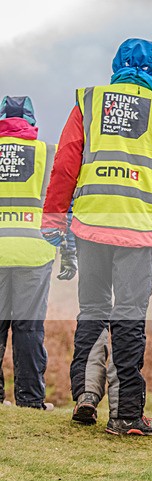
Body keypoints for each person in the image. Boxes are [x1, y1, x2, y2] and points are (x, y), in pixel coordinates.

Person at [41, 38, 152, 436]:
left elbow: (64, 165)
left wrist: (54, 220)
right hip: (139, 233)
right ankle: (127, 414)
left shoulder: (89, 102)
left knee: (92, 309)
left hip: (89, 226)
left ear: (115, 65)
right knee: (128, 318)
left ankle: (85, 395)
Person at [0, 95, 73, 411]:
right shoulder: (47, 153)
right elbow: (62, 206)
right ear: (31, 123)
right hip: (34, 250)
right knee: (28, 327)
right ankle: (30, 401)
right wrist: (68, 250)